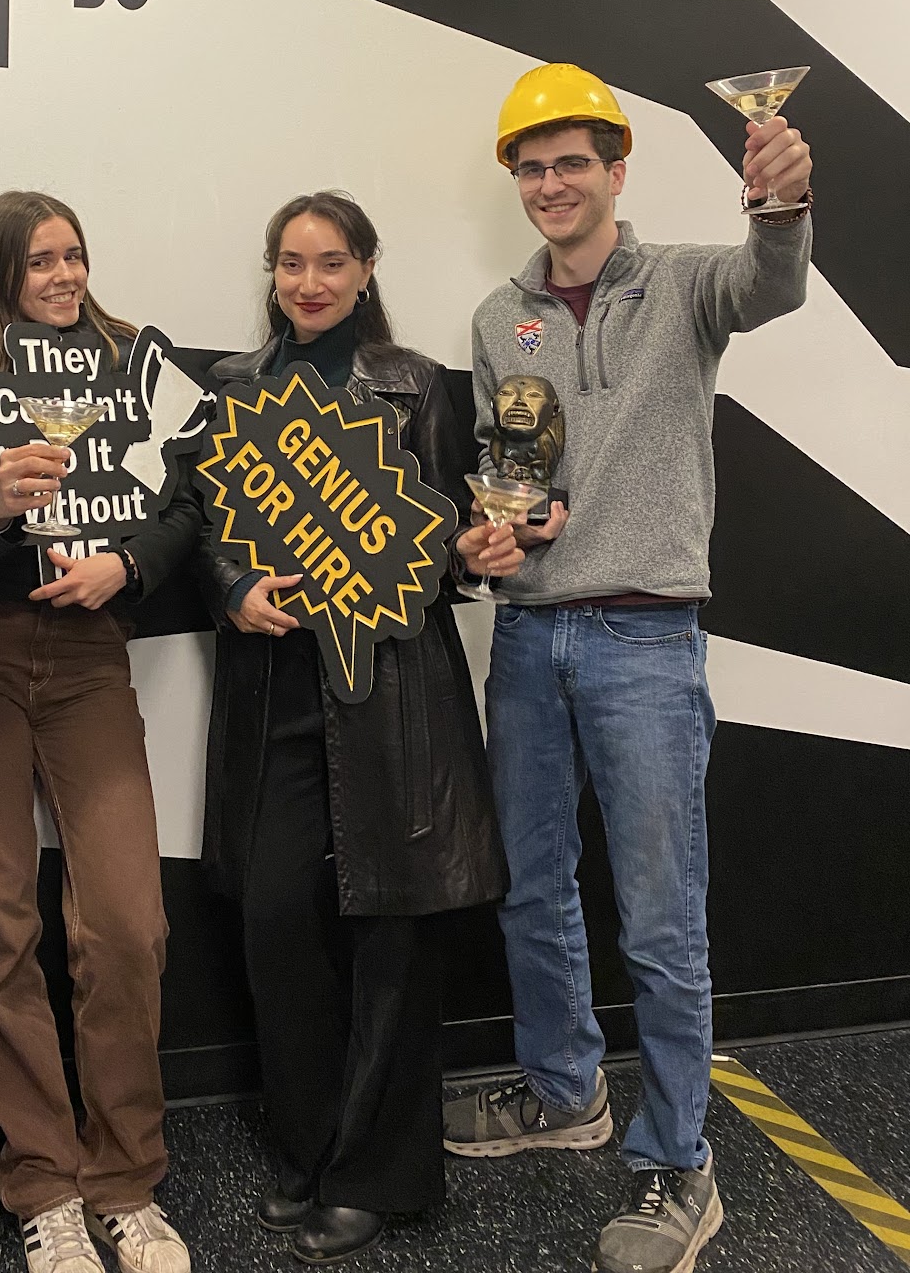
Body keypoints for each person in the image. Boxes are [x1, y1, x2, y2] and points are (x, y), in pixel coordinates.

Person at [443, 64, 813, 1273]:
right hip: (528, 635)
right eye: (532, 166)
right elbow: (515, 468)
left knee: (660, 919)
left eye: (572, 163)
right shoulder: (499, 318)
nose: (552, 184)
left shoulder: (689, 282)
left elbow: (774, 282)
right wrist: (502, 533)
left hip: (646, 641)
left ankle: (678, 1164)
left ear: (615, 169)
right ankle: (566, 1095)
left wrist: (780, 202)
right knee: (531, 887)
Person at [198, 191, 515, 1268]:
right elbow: (206, 523)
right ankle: (308, 1148)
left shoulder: (414, 383)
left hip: (390, 692)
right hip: (278, 691)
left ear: (367, 269)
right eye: (291, 263)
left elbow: (453, 534)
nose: (310, 283)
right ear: (272, 272)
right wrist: (234, 587)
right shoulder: (234, 386)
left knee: (393, 938)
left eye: (332, 262)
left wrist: (473, 553)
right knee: (277, 923)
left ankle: (377, 1174)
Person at [0, 191, 200, 1273]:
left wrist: (129, 565)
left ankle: (126, 1176)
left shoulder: (129, 360)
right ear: (0, 271)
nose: (65, 275)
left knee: (126, 923)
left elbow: (187, 503)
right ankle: (45, 1183)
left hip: (88, 656)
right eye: (40, 261)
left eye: (74, 254)